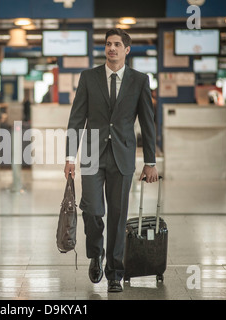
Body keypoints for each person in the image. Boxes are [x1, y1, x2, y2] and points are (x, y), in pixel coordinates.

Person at [64, 28, 159, 292]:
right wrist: (70, 156)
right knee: (92, 210)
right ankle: (96, 253)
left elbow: (147, 122)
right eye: (108, 44)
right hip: (93, 154)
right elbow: (76, 118)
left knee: (118, 215)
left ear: (127, 50)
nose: (112, 48)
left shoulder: (139, 80)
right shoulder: (89, 77)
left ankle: (115, 273)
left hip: (123, 155)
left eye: (117, 44)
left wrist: (150, 161)